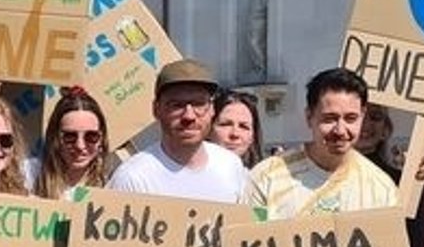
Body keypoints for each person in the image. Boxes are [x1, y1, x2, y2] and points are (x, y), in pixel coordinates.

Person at [247, 68, 398, 218]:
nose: (340, 130)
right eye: (330, 119)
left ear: (362, 116)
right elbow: (248, 237)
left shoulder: (382, 189)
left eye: (350, 118)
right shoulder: (266, 178)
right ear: (309, 117)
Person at [106, 58, 251, 202]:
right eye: (177, 105)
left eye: (199, 104)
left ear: (212, 109)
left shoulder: (231, 166)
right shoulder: (132, 179)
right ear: (156, 109)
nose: (189, 116)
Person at [32, 87, 111, 198]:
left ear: (102, 138)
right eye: (70, 136)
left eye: (91, 136)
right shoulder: (30, 177)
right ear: (54, 137)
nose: (80, 145)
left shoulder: (113, 185)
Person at [209, 89, 262, 168]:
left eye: (244, 127)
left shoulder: (261, 178)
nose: (235, 134)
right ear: (208, 130)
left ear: (253, 137)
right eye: (226, 124)